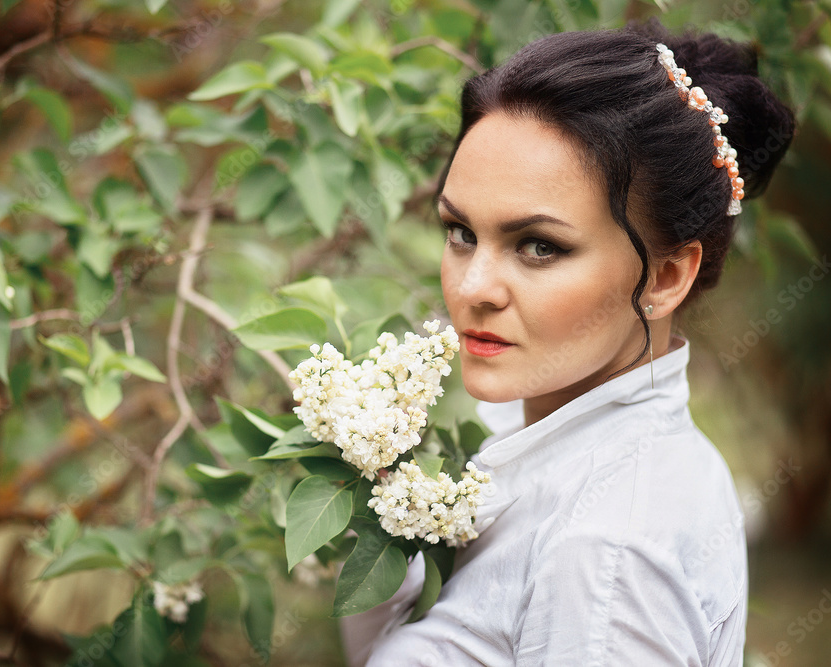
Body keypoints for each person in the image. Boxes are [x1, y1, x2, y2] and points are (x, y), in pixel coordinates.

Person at [339, 19, 795, 667]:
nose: (472, 287)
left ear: (665, 277)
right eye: (461, 232)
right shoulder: (534, 439)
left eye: (538, 246)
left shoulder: (607, 551)